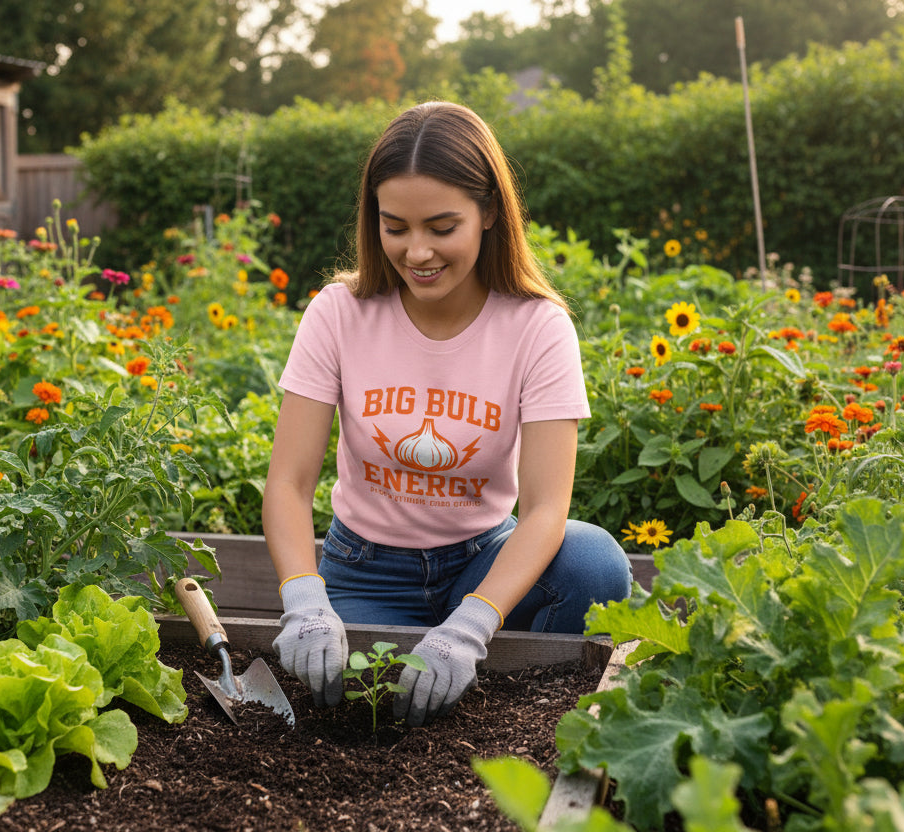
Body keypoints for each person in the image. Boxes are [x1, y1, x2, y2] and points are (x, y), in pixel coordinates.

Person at [263, 101, 633, 727]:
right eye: (396, 227)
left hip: (483, 561)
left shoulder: (537, 327)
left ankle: (518, 718)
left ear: (489, 212)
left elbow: (547, 509)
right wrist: (304, 599)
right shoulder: (339, 313)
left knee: (593, 561)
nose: (417, 252)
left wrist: (472, 626)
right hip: (367, 573)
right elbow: (289, 482)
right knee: (365, 714)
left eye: (442, 227)